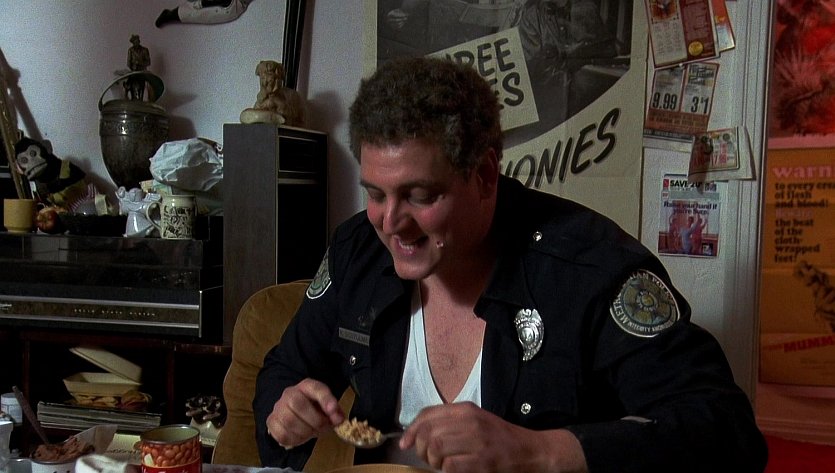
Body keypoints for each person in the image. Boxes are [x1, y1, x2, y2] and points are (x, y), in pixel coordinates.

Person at [254, 57, 767, 472]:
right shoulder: (358, 252)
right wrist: (286, 408)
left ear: (484, 176)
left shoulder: (591, 270)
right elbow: (283, 370)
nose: (391, 223)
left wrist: (539, 451)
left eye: (420, 196)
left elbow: (727, 432)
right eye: (374, 194)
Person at [126, 34, 151, 101]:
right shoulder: (130, 50)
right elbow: (128, 62)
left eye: (137, 41)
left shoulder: (144, 50)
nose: (136, 42)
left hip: (142, 71)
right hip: (134, 71)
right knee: (131, 84)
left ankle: (141, 99)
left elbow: (148, 62)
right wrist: (133, 67)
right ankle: (131, 97)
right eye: (134, 41)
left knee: (142, 86)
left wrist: (140, 63)